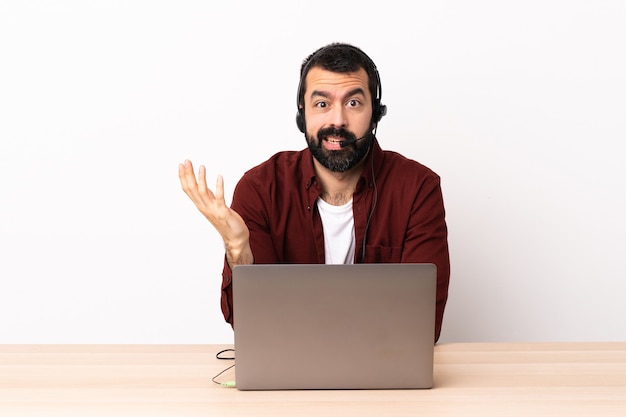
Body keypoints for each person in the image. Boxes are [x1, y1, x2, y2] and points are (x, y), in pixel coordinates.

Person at [179, 42, 450, 342]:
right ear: (302, 115)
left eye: (353, 103)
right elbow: (256, 326)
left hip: (385, 378)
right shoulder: (260, 189)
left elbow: (421, 325)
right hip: (289, 381)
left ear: (376, 114)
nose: (337, 121)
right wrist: (238, 248)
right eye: (322, 104)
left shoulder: (417, 189)